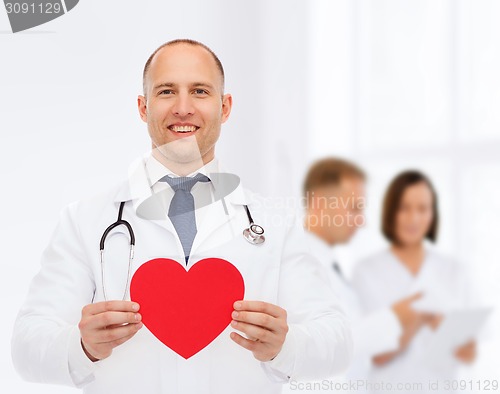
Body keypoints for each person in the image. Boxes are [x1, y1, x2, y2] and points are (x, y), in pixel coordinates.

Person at [11, 39, 351, 394]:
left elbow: (337, 341)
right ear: (143, 107)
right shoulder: (84, 220)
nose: (183, 108)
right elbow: (26, 347)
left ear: (225, 106)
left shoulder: (276, 223)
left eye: (200, 91)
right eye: (166, 91)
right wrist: (81, 348)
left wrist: (288, 346)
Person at [286, 158, 422, 393]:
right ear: (319, 203)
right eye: (354, 208)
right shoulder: (298, 262)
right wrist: (394, 318)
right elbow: (323, 344)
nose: (361, 221)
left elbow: (353, 345)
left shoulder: (328, 264)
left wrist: (402, 330)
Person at [352, 170, 477, 393]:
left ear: (433, 214)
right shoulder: (366, 271)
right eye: (404, 208)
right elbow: (376, 355)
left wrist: (436, 325)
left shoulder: (454, 271)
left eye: (422, 208)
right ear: (391, 212)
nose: (413, 218)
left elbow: (468, 353)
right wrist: (421, 316)